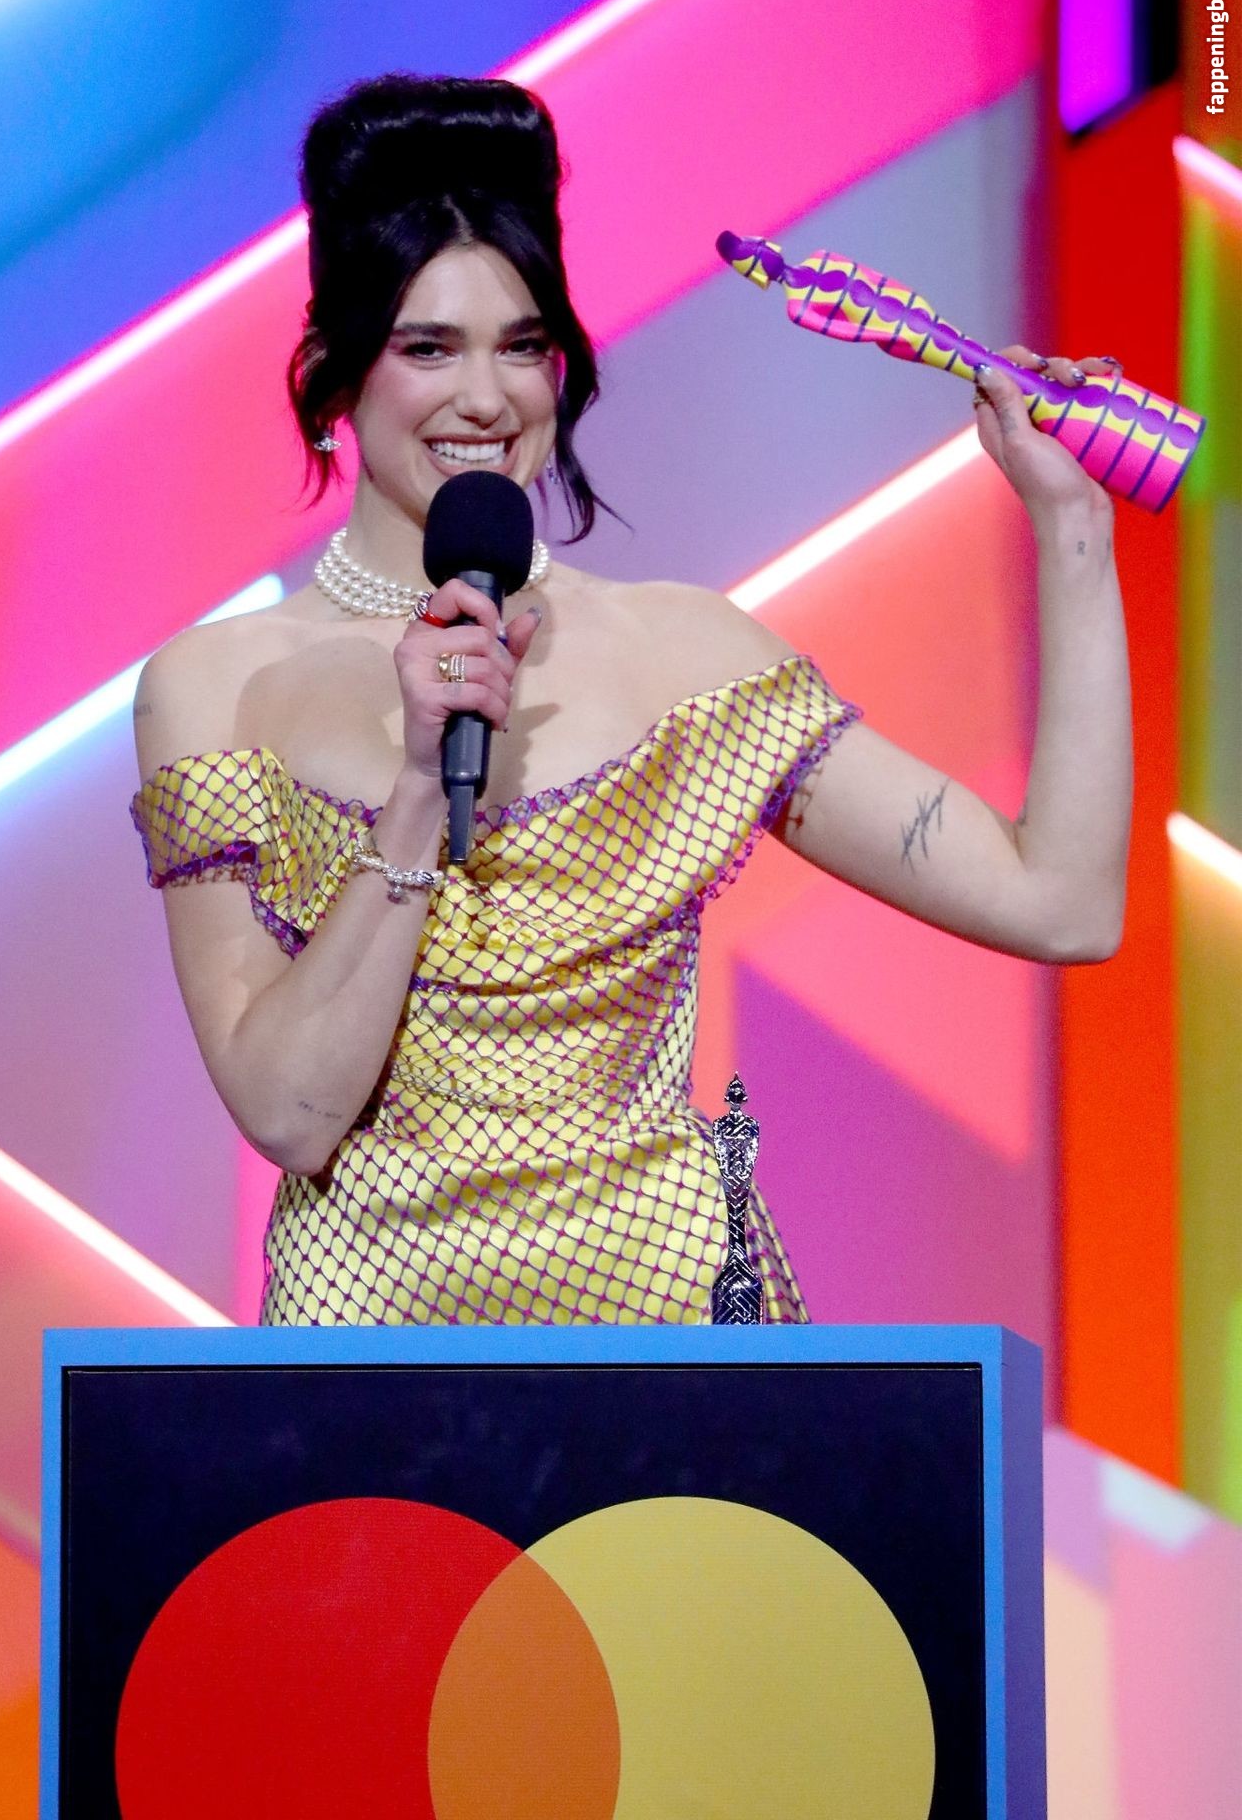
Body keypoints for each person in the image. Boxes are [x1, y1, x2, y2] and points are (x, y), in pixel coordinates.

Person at [130, 72, 1131, 1326]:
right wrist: (415, 794)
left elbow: (1059, 902)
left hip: (679, 1357)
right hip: (375, 1377)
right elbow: (289, 1112)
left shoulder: (685, 655)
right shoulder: (220, 687)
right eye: (427, 348)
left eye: (522, 346)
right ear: (336, 375)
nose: (485, 398)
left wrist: (1070, 528)